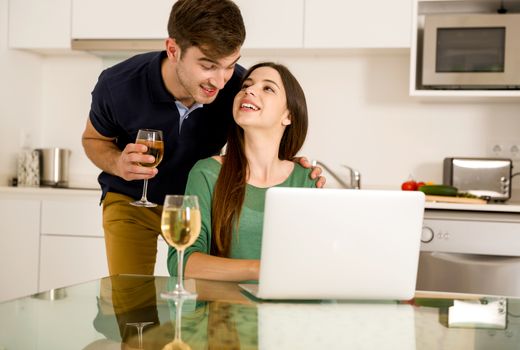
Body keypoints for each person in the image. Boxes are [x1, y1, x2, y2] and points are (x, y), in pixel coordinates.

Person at [81, 0, 324, 276]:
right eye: (208, 66)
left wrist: (290, 166)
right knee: (131, 303)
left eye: (230, 65)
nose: (220, 82)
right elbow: (93, 140)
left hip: (199, 200)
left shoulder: (238, 88)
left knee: (194, 294)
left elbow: (263, 134)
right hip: (134, 198)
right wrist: (117, 164)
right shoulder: (118, 85)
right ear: (173, 50)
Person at [168, 62, 315, 282]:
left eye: (268, 88)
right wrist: (258, 270)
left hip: (286, 311)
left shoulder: (306, 179)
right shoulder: (206, 173)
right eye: (246, 85)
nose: (249, 90)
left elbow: (316, 260)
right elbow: (182, 262)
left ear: (289, 115)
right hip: (221, 313)